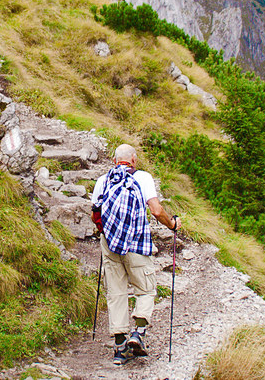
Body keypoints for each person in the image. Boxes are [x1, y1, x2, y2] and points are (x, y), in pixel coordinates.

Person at [90, 143, 179, 365]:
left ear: (114, 161)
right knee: (146, 289)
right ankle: (138, 333)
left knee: (116, 293)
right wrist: (172, 224)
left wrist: (107, 233)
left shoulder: (103, 181)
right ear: (134, 160)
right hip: (136, 244)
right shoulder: (143, 178)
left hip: (110, 246)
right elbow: (156, 211)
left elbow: (95, 215)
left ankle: (119, 348)